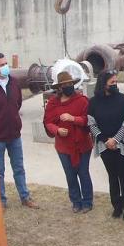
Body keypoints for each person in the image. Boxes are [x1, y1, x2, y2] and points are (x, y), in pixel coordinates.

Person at [0, 52, 39, 210]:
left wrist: (13, 120)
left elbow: (17, 103)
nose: (5, 67)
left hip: (14, 136)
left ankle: (25, 197)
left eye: (6, 64)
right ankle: (1, 201)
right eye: (1, 65)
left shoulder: (14, 83)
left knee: (19, 168)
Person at [88, 70, 124, 220]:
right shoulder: (93, 102)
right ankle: (117, 206)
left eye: (116, 82)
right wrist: (104, 139)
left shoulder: (122, 99)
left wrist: (115, 140)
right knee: (112, 176)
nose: (115, 85)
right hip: (104, 145)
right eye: (112, 83)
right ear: (103, 84)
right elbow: (91, 123)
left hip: (122, 144)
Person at [44, 71, 93, 213]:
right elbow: (48, 122)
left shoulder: (82, 100)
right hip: (63, 147)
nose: (69, 86)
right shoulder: (53, 103)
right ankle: (76, 202)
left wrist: (73, 119)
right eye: (65, 85)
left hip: (82, 145)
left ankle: (88, 202)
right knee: (70, 175)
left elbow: (89, 120)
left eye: (71, 84)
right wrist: (57, 130)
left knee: (83, 173)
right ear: (59, 87)